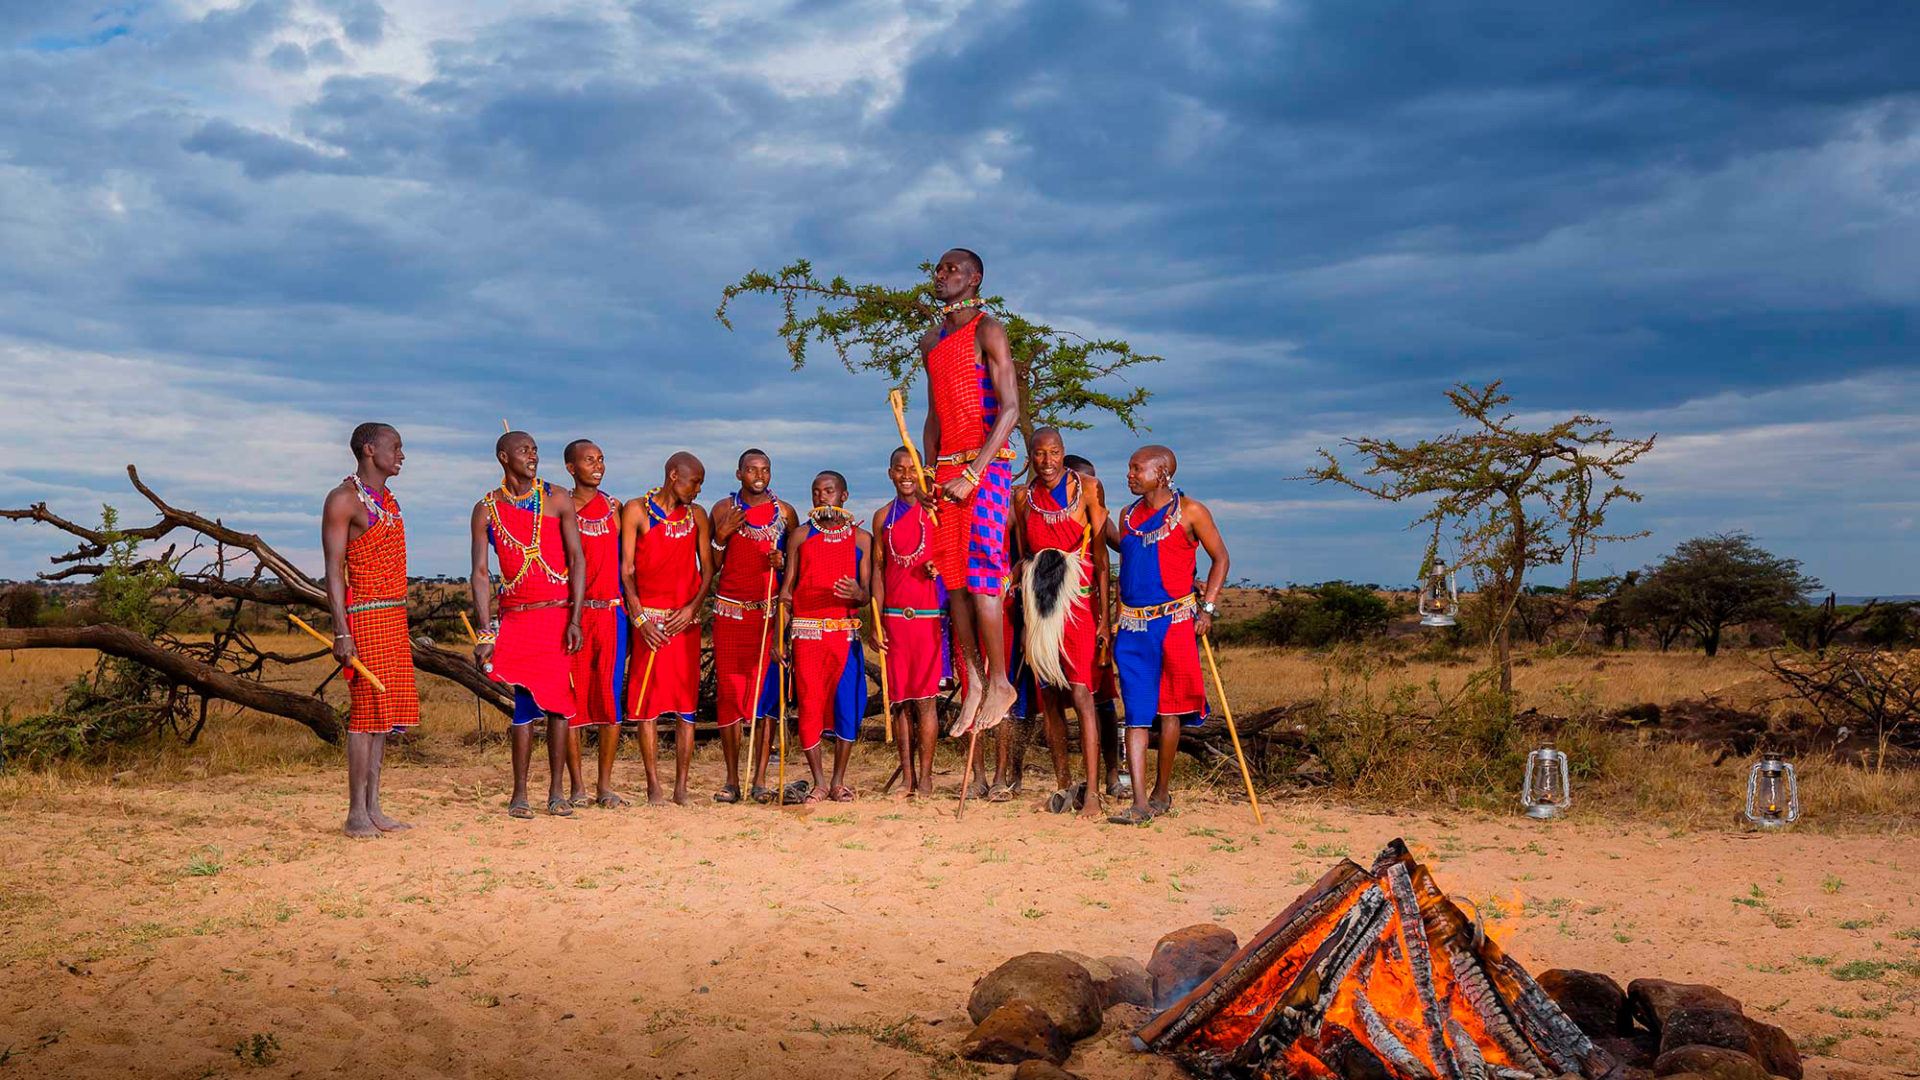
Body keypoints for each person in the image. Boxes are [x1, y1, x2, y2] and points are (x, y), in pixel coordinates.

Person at [919, 248, 1022, 738]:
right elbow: (934, 413)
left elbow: (1010, 410)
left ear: (975, 279)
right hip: (944, 473)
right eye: (938, 270)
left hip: (986, 470)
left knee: (983, 578)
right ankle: (975, 682)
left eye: (952, 269)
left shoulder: (988, 328)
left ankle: (1002, 681)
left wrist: (975, 472)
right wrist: (926, 470)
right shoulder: (930, 340)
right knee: (953, 582)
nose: (942, 276)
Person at [1102, 445, 1229, 824]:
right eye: (1129, 468)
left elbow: (1220, 557)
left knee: (1171, 710)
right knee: (1136, 715)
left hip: (1175, 623)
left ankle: (1161, 791)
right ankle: (1140, 803)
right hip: (1133, 627)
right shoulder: (1127, 516)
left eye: (1136, 469)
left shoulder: (1191, 511)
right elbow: (1129, 555)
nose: (1129, 474)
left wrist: (1206, 607)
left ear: (1161, 473)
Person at [470, 431, 587, 819]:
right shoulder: (486, 508)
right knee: (523, 705)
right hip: (517, 617)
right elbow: (481, 573)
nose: (533, 456)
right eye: (524, 450)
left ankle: (556, 793)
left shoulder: (557, 498)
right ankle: (519, 794)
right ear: (504, 457)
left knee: (556, 706)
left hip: (556, 614)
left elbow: (577, 559)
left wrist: (575, 617)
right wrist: (487, 630)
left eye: (536, 450)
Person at [320, 422, 418, 838]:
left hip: (394, 616)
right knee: (364, 716)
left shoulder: (388, 501)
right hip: (365, 617)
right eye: (394, 447)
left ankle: (374, 806)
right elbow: (333, 570)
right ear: (367, 449)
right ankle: (355, 813)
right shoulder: (343, 500)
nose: (401, 454)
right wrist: (342, 631)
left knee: (383, 715)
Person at [1013, 428, 1110, 820]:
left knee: (1082, 694)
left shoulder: (1087, 488)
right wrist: (1025, 622)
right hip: (1040, 604)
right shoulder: (1023, 497)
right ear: (1031, 457)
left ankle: (1094, 794)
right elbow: (1025, 557)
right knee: (1049, 698)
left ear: (1063, 453)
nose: (1047, 461)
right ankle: (1063, 785)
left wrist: (1105, 619)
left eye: (1054, 453)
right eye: (1039, 454)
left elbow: (1101, 560)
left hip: (1079, 605)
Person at [621, 452, 712, 807]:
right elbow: (627, 570)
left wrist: (692, 608)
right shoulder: (636, 510)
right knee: (648, 708)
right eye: (694, 482)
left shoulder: (697, 516)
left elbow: (707, 571)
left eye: (701, 483)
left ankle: (681, 788)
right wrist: (640, 617)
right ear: (674, 475)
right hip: (650, 626)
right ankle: (653, 787)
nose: (698, 490)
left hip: (684, 625)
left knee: (685, 707)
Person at [708, 449, 798, 804]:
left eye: (765, 469)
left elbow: (795, 566)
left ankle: (759, 779)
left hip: (769, 616)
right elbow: (712, 564)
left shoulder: (785, 513)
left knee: (766, 696)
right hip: (731, 615)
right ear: (738, 473)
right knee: (729, 696)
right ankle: (732, 780)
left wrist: (783, 559)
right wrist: (722, 535)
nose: (759, 475)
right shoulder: (721, 510)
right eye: (751, 469)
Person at [777, 471, 870, 803]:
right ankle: (818, 781)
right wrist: (780, 637)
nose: (821, 497)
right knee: (810, 707)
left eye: (828, 491)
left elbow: (866, 594)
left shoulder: (861, 538)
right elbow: (787, 591)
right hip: (806, 634)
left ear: (843, 496)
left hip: (843, 635)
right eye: (816, 492)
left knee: (848, 705)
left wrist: (858, 592)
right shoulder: (800, 536)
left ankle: (839, 781)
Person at [870, 447, 943, 798]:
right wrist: (876, 620)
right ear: (890, 474)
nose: (906, 476)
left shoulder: (933, 512)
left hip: (928, 619)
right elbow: (879, 571)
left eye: (911, 469)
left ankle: (927, 778)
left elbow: (947, 557)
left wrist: (936, 569)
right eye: (899, 469)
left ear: (921, 472)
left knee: (926, 700)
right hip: (895, 618)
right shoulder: (882, 516)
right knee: (900, 701)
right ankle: (908, 778)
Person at [562, 439, 627, 809]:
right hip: (575, 614)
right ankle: (577, 787)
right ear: (571, 468)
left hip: (611, 613)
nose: (598, 465)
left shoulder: (613, 508)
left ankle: (605, 786)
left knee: (608, 698)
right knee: (572, 700)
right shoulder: (562, 507)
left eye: (601, 459)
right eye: (589, 460)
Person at [1067, 453, 1128, 798]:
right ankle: (1061, 779)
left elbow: (1124, 547)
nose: (1091, 488)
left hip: (1093, 611)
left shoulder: (1097, 510)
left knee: (1102, 697)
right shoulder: (1047, 508)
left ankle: (1111, 776)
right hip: (1054, 611)